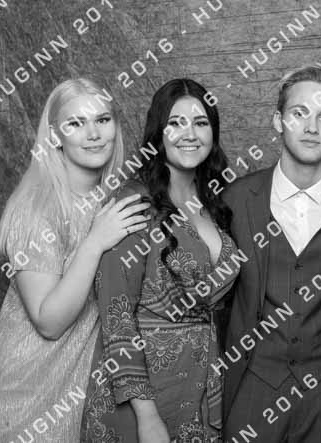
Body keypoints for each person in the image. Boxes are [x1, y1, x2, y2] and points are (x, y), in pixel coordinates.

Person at [0, 78, 149, 442]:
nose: (93, 134)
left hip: (79, 392)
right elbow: (49, 322)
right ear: (55, 135)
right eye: (76, 123)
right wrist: (95, 242)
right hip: (23, 395)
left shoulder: (111, 202)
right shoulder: (36, 207)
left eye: (102, 120)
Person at [222, 64, 321, 443]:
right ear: (278, 121)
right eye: (299, 113)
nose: (311, 127)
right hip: (253, 388)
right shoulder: (237, 199)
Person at [80, 78, 239, 443]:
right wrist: (147, 416)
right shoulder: (133, 203)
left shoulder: (214, 201)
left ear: (213, 133)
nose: (190, 134)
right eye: (176, 123)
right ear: (158, 132)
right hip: (141, 396)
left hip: (199, 382)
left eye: (200, 123)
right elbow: (117, 316)